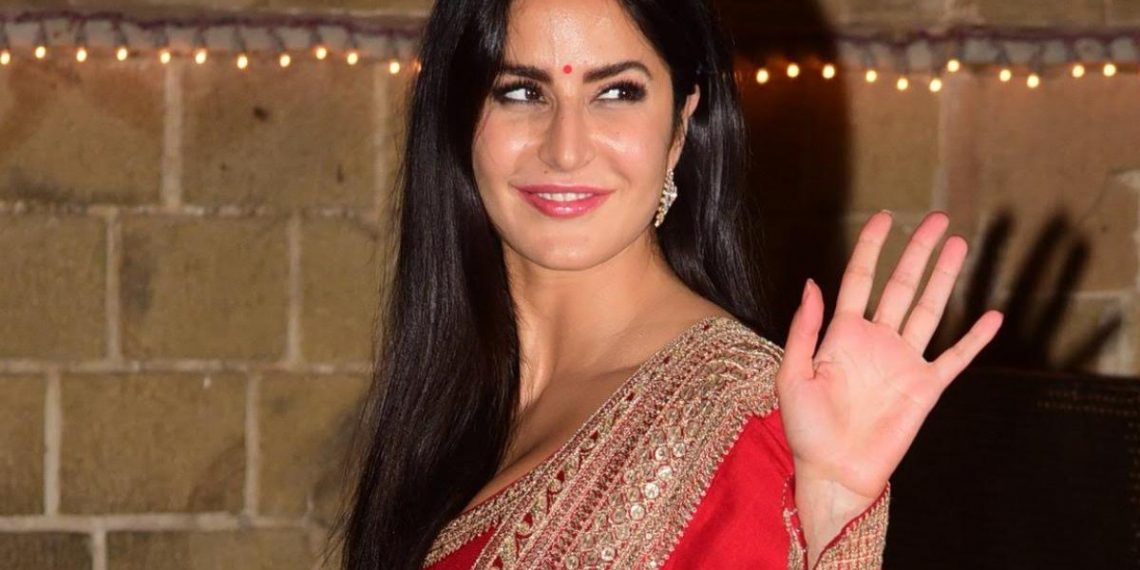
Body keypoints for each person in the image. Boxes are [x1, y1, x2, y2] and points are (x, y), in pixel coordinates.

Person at [325, 0, 1004, 568]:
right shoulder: (453, 397)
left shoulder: (742, 422)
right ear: (458, 118)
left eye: (616, 92)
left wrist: (830, 513)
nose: (565, 148)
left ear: (680, 126)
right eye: (522, 92)